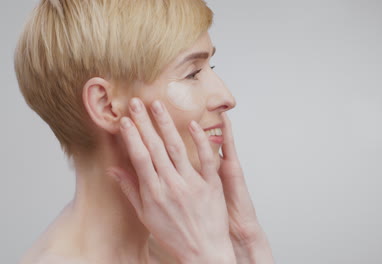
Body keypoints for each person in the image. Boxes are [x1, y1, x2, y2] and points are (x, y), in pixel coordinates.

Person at [14, 0, 274, 263]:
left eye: (211, 68)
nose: (226, 97)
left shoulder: (181, 248)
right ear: (106, 105)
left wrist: (247, 243)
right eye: (192, 73)